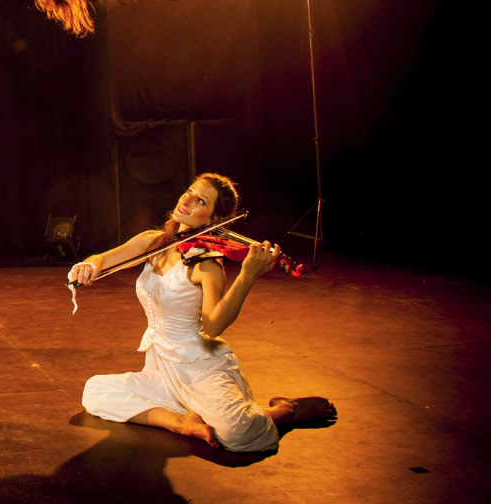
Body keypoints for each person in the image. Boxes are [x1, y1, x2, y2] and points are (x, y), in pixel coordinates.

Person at [71, 174, 335, 452]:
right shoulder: (153, 242)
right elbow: (103, 259)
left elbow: (213, 327)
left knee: (238, 435)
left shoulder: (206, 265)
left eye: (201, 201)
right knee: (95, 390)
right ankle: (178, 421)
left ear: (213, 220)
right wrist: (89, 266)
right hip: (161, 365)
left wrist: (247, 276)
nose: (187, 200)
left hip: (199, 367)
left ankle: (285, 410)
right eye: (189, 191)